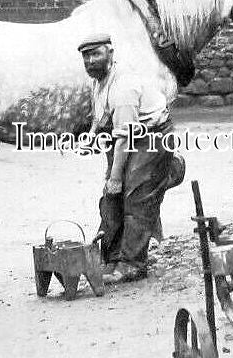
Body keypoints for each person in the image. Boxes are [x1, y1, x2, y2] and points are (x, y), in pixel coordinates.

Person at [77, 32, 182, 285]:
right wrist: (91, 138)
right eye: (86, 56)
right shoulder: (101, 79)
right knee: (110, 198)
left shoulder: (123, 86)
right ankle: (112, 258)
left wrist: (115, 176)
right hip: (127, 132)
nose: (91, 61)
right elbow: (101, 115)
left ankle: (133, 264)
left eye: (96, 54)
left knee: (135, 196)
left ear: (110, 53)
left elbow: (126, 137)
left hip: (152, 136)